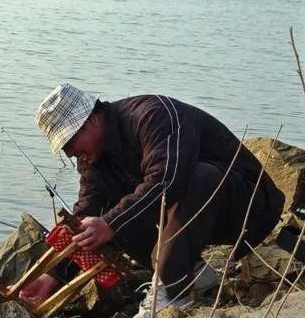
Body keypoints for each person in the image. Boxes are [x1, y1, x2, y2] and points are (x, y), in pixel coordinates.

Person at [23, 83, 284, 316]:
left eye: (69, 141)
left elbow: (167, 181)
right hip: (205, 219)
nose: (69, 153)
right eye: (63, 147)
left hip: (250, 206)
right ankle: (194, 274)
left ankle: (172, 291)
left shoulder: (152, 115)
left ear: (91, 120)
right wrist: (55, 274)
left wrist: (111, 223)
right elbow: (87, 209)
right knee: (106, 214)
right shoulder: (92, 157)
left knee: (188, 180)